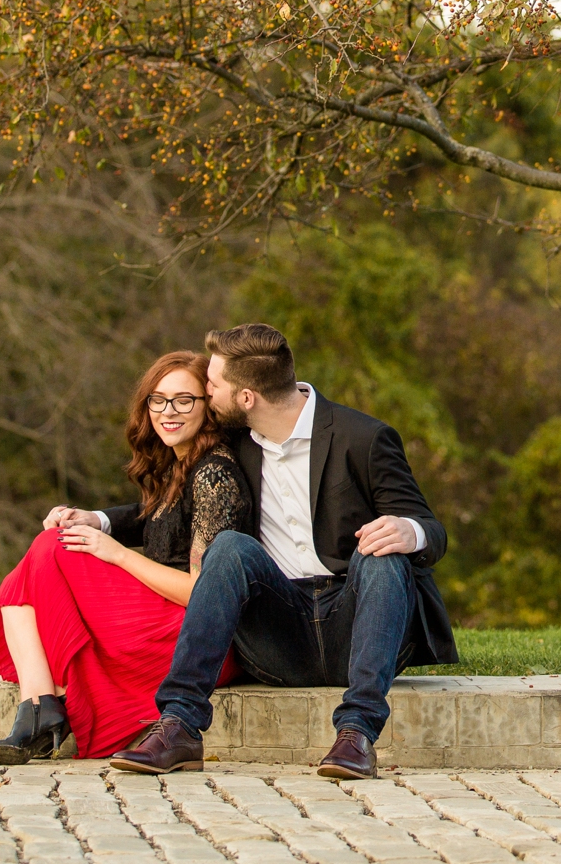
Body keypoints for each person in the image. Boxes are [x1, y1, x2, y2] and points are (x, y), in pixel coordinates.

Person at [110, 323, 457, 779]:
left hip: (358, 623)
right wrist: (98, 520)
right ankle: (179, 726)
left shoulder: (363, 437)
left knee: (382, 553)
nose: (206, 392)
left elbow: (432, 528)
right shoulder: (234, 445)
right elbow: (170, 509)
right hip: (279, 629)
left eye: (213, 385)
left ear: (247, 397)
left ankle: (356, 736)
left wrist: (409, 532)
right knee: (231, 546)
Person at [0, 350, 250, 764]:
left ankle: (41, 711)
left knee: (50, 550)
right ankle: (38, 707)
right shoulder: (179, 464)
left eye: (183, 400)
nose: (167, 411)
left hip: (197, 635)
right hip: (161, 617)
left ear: (208, 408)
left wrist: (118, 555)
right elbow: (155, 521)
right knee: (43, 556)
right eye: (157, 399)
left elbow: (201, 593)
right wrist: (93, 520)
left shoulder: (214, 474)